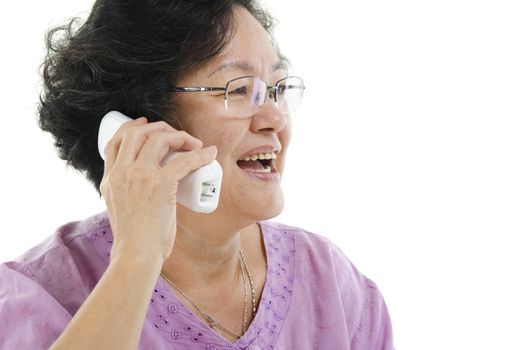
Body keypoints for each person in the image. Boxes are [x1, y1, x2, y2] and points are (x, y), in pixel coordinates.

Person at [0, 0, 394, 349]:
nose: (275, 118)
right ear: (144, 123)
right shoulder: (37, 296)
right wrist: (137, 257)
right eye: (240, 90)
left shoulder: (333, 287)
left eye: (276, 89)